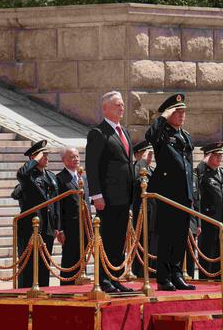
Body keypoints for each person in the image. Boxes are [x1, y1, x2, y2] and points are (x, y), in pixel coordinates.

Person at [85, 91, 134, 293]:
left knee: (119, 241)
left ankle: (115, 277)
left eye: (122, 104)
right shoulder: (98, 133)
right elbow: (92, 165)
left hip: (124, 196)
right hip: (107, 197)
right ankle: (104, 279)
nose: (121, 107)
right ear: (105, 108)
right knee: (106, 239)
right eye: (117, 105)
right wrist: (96, 195)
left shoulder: (125, 132)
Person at [145, 93, 196, 291]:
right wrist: (162, 117)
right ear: (169, 114)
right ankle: (164, 277)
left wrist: (191, 193)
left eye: (183, 112)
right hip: (167, 192)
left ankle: (177, 274)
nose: (182, 115)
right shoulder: (162, 133)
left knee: (180, 237)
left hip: (184, 192)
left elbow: (189, 167)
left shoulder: (185, 136)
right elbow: (150, 136)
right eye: (177, 112)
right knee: (167, 237)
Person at [14, 140, 60, 288]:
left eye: (46, 155)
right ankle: (26, 292)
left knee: (44, 264)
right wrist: (34, 160)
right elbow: (21, 174)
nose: (46, 158)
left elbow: (56, 203)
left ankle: (44, 291)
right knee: (29, 264)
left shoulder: (51, 177)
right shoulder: (29, 177)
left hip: (47, 225)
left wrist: (57, 225)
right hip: (30, 226)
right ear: (33, 158)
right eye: (42, 155)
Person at [196, 142, 223, 280]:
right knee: (208, 257)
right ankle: (206, 284)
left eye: (220, 155)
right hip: (209, 222)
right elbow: (197, 196)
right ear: (208, 157)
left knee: (222, 258)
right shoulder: (201, 174)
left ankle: (221, 283)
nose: (219, 158)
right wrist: (202, 164)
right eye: (216, 155)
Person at [56, 146, 91, 286]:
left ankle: (81, 282)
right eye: (72, 156)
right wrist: (60, 229)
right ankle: (67, 286)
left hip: (85, 225)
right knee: (70, 258)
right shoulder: (60, 179)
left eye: (77, 156)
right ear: (64, 160)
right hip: (69, 226)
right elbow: (58, 205)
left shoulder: (84, 177)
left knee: (83, 256)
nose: (76, 159)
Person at [131, 140, 158, 277]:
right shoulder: (135, 168)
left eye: (151, 154)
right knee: (141, 246)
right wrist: (141, 162)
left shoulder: (152, 170)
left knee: (153, 247)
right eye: (146, 153)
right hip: (140, 216)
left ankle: (151, 273)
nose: (150, 156)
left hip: (154, 216)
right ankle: (140, 273)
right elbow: (135, 183)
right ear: (137, 155)